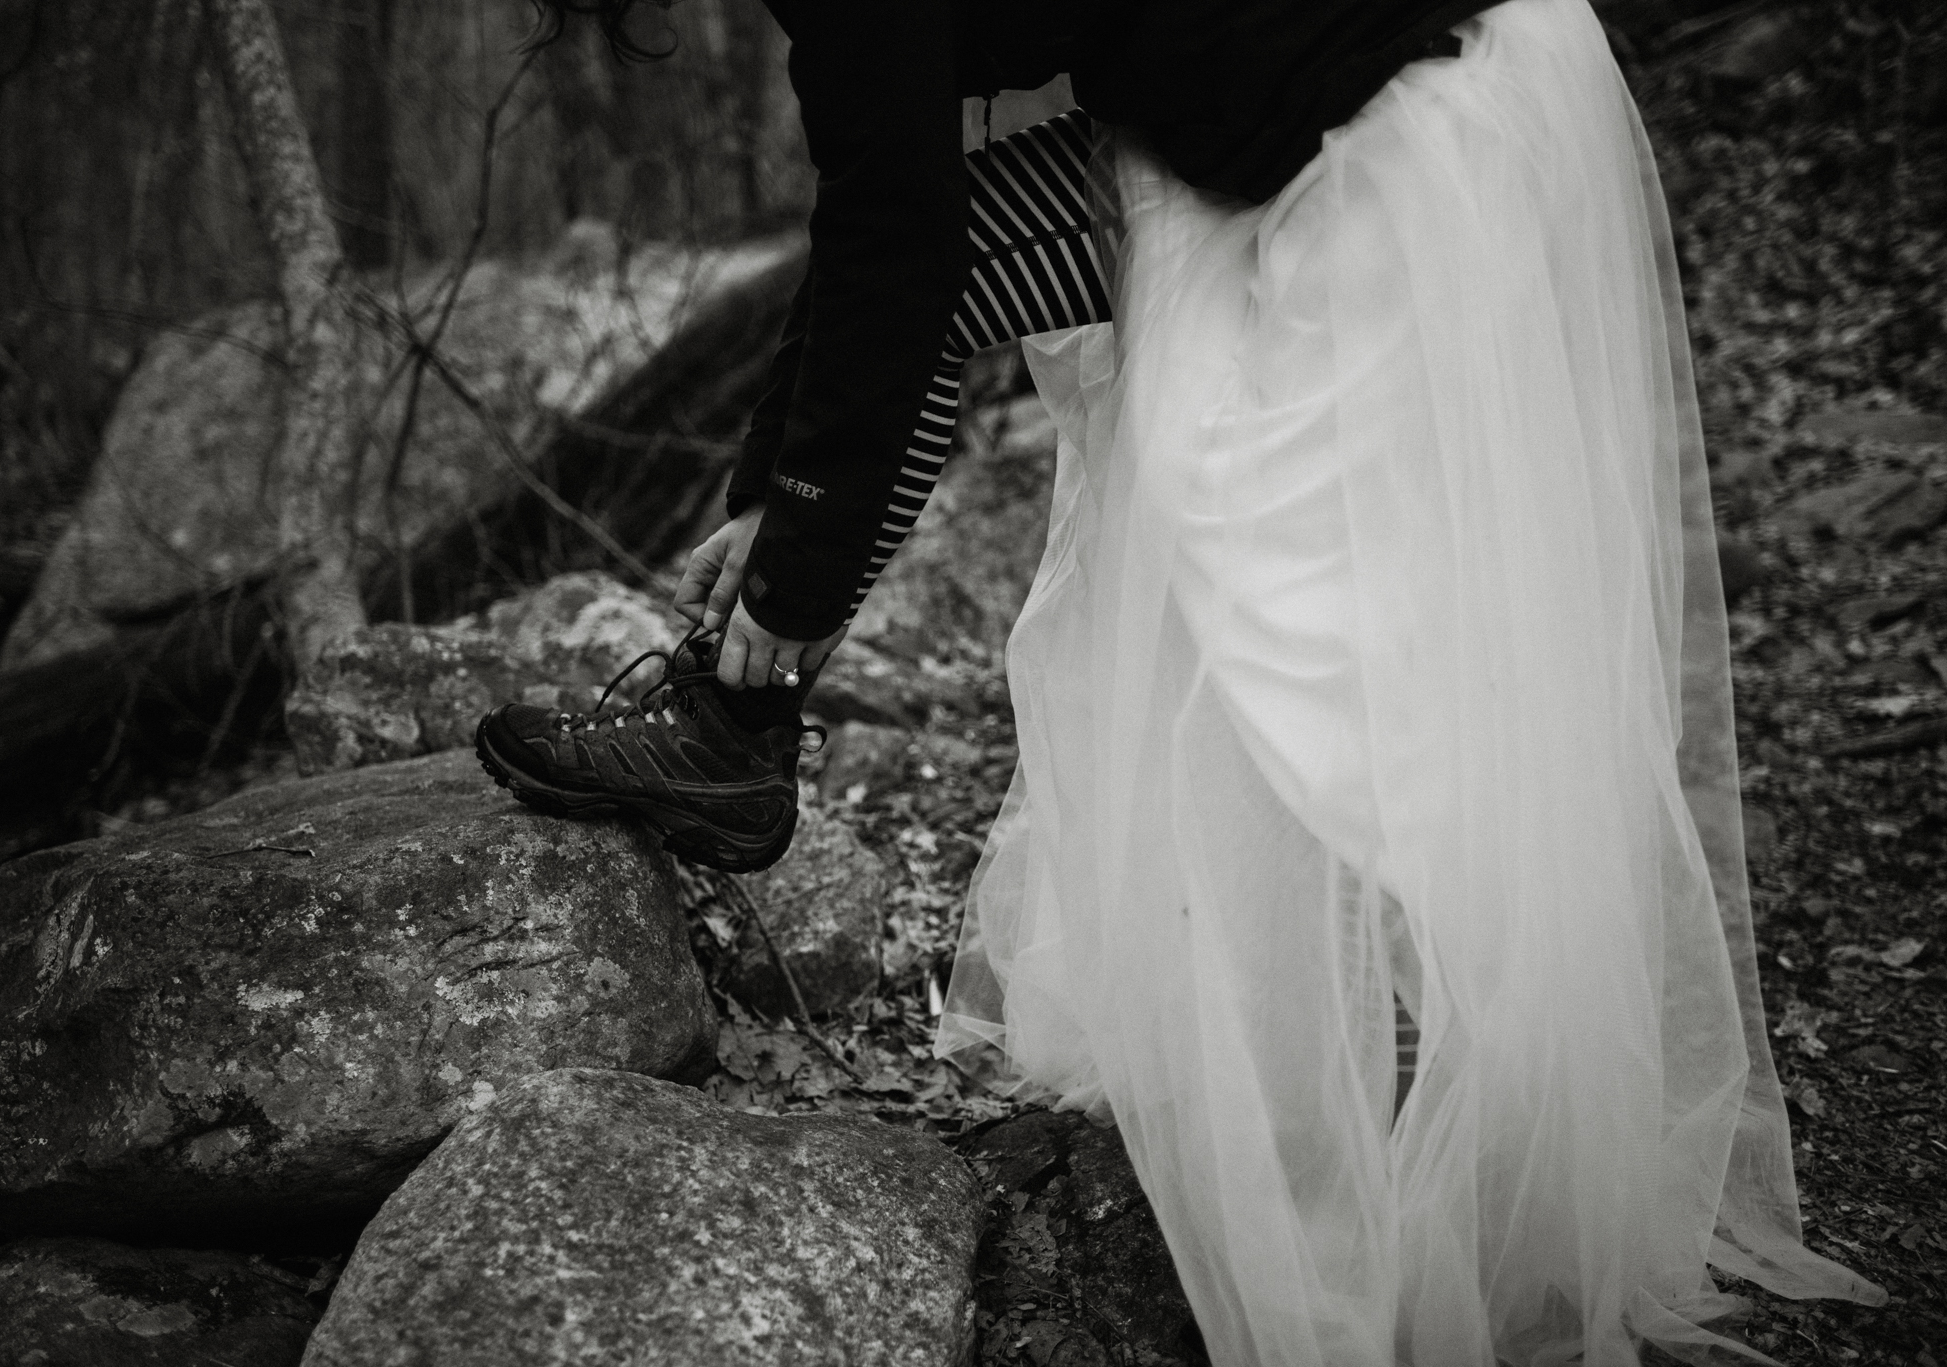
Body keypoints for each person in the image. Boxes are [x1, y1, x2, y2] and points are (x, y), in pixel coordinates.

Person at [475, 1, 1888, 1360]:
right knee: (1126, 470)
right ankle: (741, 719)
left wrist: (796, 570)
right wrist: (772, 502)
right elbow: (901, 229)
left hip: (1411, 97)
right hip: (1340, 83)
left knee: (1289, 646)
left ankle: (1481, 1142)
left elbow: (901, 236)